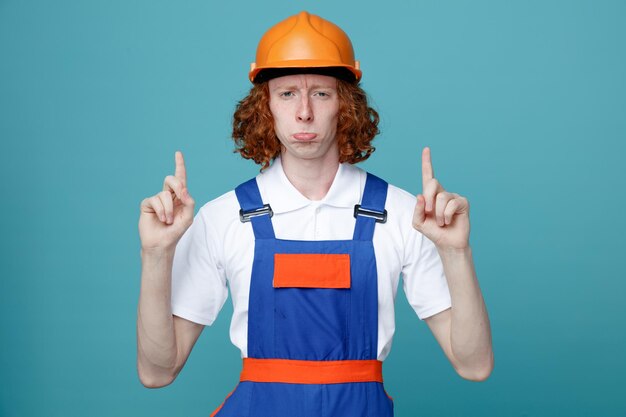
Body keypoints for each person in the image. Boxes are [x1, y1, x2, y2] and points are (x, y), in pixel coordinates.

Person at [137, 10, 493, 416]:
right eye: (287, 93)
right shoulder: (225, 217)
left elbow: (474, 364)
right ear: (265, 106)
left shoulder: (401, 213)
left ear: (345, 105)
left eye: (321, 93)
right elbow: (157, 372)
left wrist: (455, 252)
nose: (304, 112)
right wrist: (156, 255)